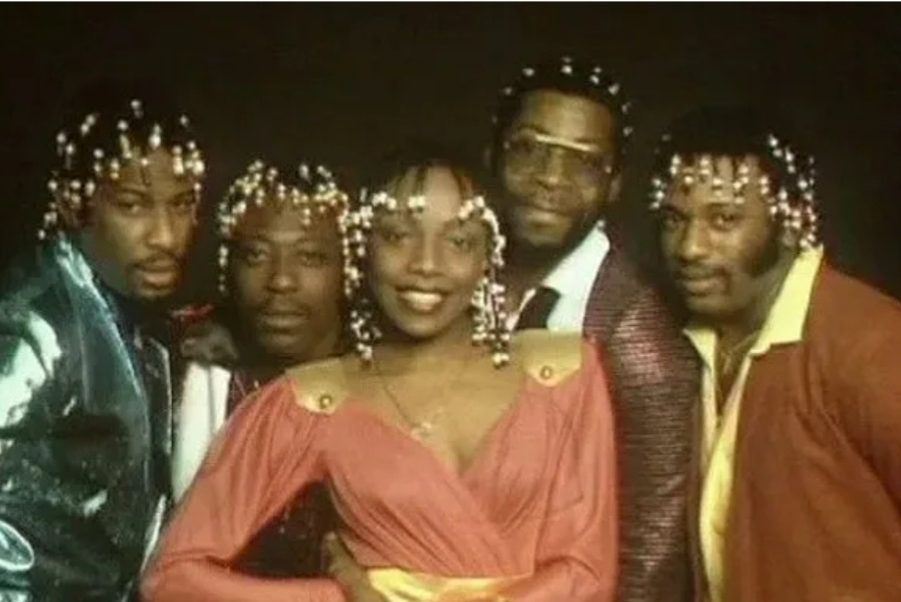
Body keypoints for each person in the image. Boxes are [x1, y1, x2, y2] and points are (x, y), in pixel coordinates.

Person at [143, 144, 619, 602]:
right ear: (362, 247)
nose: (425, 265)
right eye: (396, 236)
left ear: (489, 256)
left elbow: (588, 577)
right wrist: (335, 597)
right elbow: (171, 580)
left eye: (458, 241)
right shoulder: (313, 400)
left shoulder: (562, 374)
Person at [0, 86, 206, 601]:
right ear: (70, 202)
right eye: (133, 205)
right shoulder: (29, 325)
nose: (166, 237)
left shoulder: (135, 314)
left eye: (181, 204)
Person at [650, 104, 901, 602]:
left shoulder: (869, 342)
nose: (690, 247)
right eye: (675, 219)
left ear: (791, 223)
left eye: (724, 219)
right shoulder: (681, 345)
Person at [488, 56, 698, 602]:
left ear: (614, 185)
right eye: (529, 147)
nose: (550, 177)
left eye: (584, 161)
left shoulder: (639, 336)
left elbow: (650, 556)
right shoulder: (449, 280)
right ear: (494, 153)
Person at [172, 160, 350, 577]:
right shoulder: (182, 367)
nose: (281, 281)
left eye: (310, 257)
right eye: (255, 255)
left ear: (348, 269)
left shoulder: (388, 380)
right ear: (228, 268)